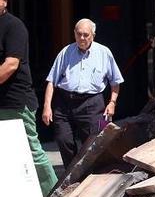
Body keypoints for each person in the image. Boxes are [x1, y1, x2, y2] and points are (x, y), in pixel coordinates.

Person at [0, 0, 58, 197]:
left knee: (31, 150)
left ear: (5, 0)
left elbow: (11, 65)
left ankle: (54, 195)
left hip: (16, 102)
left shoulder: (13, 26)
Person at [42, 18, 124, 168]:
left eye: (86, 35)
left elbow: (115, 82)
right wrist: (47, 107)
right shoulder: (66, 52)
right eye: (79, 34)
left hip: (92, 103)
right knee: (63, 139)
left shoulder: (104, 53)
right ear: (74, 33)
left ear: (93, 35)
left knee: (95, 141)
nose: (82, 38)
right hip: (65, 102)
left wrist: (112, 103)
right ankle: (71, 174)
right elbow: (51, 81)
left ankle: (91, 174)